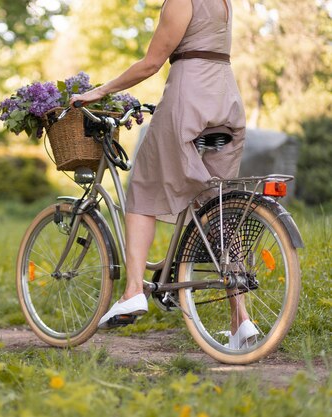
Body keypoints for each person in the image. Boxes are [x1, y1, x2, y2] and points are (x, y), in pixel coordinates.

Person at [70, 0, 258, 348]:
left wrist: (100, 91)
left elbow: (151, 63)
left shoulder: (181, 1)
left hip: (190, 97)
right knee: (216, 205)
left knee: (142, 189)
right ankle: (241, 321)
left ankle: (133, 292)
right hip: (226, 99)